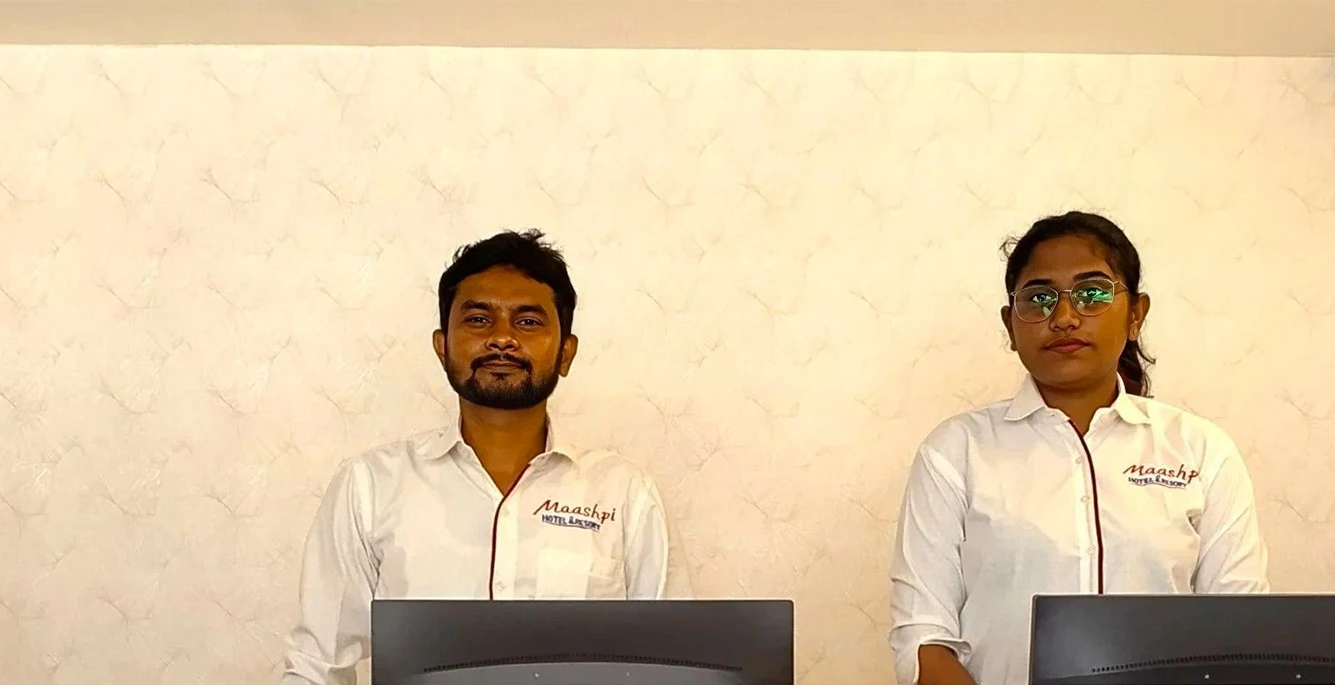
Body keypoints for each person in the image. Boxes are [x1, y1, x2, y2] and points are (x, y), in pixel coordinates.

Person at [282, 229, 688, 685]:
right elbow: (318, 666)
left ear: (566, 352)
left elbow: (674, 664)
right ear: (442, 346)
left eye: (528, 322)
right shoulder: (370, 485)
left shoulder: (624, 494)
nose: (502, 339)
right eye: (478, 319)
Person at [888, 211, 1269, 685]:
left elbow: (1240, 633)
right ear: (1011, 325)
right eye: (1039, 298)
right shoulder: (955, 452)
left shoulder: (1202, 452)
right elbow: (923, 638)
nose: (1064, 318)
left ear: (1135, 315)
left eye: (1092, 293)